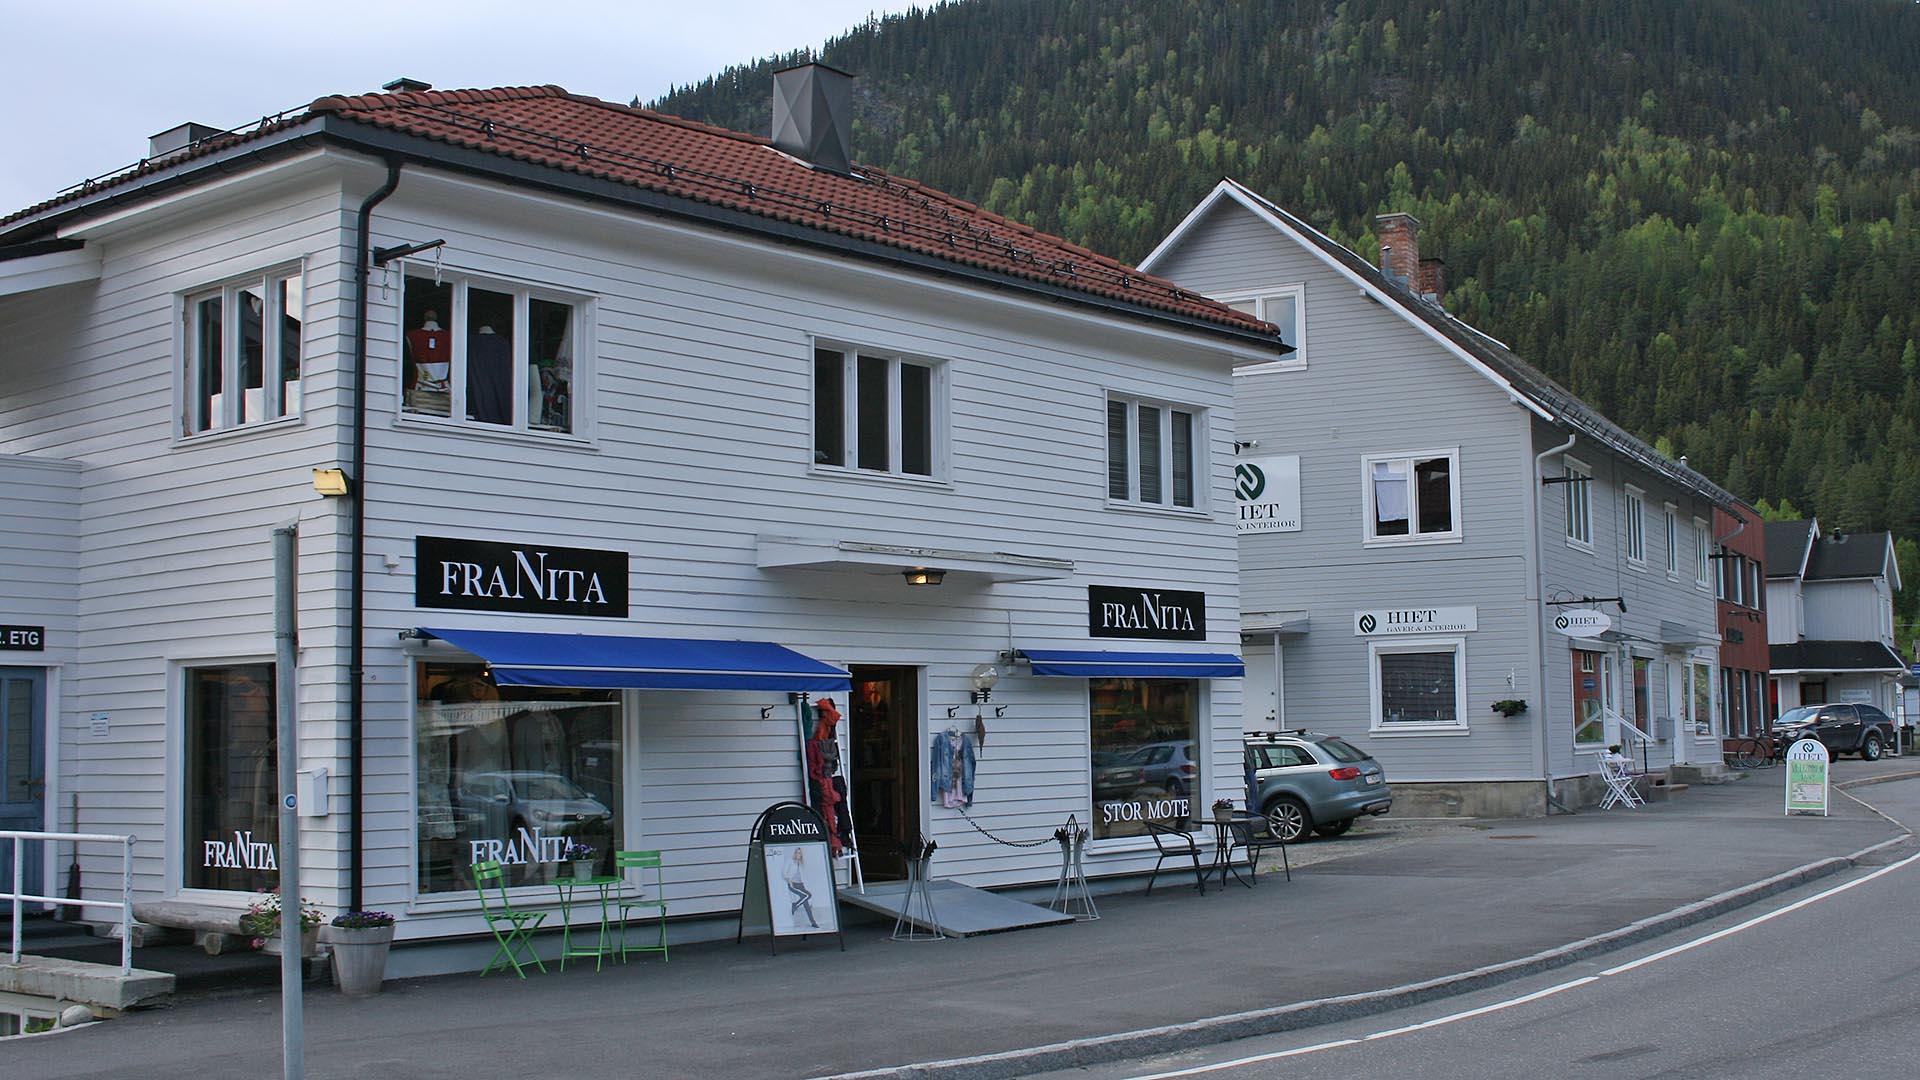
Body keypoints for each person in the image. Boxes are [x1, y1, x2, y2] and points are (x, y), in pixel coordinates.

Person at [783, 847, 819, 929]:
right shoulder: (790, 861)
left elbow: (804, 876)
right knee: (807, 895)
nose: (797, 854)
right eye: (796, 852)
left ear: (801, 855)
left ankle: (813, 922)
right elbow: (784, 873)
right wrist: (790, 882)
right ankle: (794, 906)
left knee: (807, 904)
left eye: (799, 853)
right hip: (793, 884)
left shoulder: (801, 864)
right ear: (794, 853)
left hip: (801, 885)